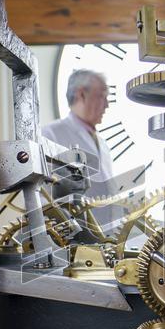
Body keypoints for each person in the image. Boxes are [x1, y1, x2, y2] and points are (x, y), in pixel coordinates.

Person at [42, 69, 121, 230]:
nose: (107, 105)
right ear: (81, 94)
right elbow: (42, 194)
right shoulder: (50, 134)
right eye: (102, 96)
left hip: (106, 233)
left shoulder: (102, 144)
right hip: (69, 233)